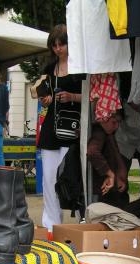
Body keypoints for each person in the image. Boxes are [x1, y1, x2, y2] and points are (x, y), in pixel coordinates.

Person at [36, 24, 84, 231]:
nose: (58, 49)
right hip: (51, 128)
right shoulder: (49, 69)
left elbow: (90, 96)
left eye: (61, 44)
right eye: (54, 45)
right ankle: (51, 225)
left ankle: (81, 219)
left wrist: (72, 97)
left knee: (71, 176)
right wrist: (46, 99)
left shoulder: (80, 67)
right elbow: (44, 94)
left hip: (72, 129)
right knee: (48, 178)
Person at [86, 111, 129, 209]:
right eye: (114, 122)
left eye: (118, 123)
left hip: (106, 189)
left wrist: (117, 176)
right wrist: (110, 174)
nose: (116, 126)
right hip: (100, 190)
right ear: (104, 118)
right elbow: (92, 151)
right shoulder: (99, 133)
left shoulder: (107, 133)